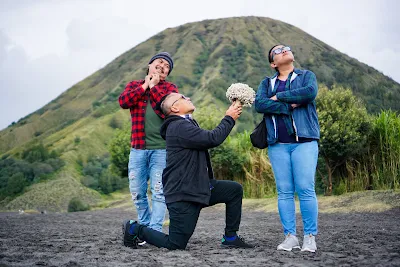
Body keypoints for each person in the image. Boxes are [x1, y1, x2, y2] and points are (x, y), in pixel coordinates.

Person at [122, 93, 254, 250]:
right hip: (183, 194)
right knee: (176, 244)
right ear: (175, 108)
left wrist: (231, 112)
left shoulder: (186, 123)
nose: (189, 98)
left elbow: (205, 140)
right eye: (183, 97)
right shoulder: (178, 126)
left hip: (199, 188)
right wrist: (229, 118)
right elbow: (212, 139)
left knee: (233, 190)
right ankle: (134, 229)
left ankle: (230, 237)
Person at [254, 44, 320, 252]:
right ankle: (290, 236)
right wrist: (288, 104)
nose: (284, 50)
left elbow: (309, 93)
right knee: (284, 192)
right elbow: (260, 104)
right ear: (273, 63)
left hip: (305, 141)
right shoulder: (267, 83)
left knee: (306, 189)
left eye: (286, 48)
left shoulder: (306, 76)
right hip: (278, 144)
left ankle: (310, 237)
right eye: (278, 51)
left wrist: (280, 97)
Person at [118, 52, 178, 241]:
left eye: (167, 66)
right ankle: (144, 228)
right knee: (137, 192)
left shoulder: (170, 89)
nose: (163, 66)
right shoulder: (134, 86)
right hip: (138, 149)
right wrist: (145, 85)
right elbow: (124, 102)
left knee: (159, 191)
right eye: (159, 62)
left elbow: (166, 108)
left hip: (162, 149)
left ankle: (154, 231)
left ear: (167, 73)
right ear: (149, 64)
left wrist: (153, 87)